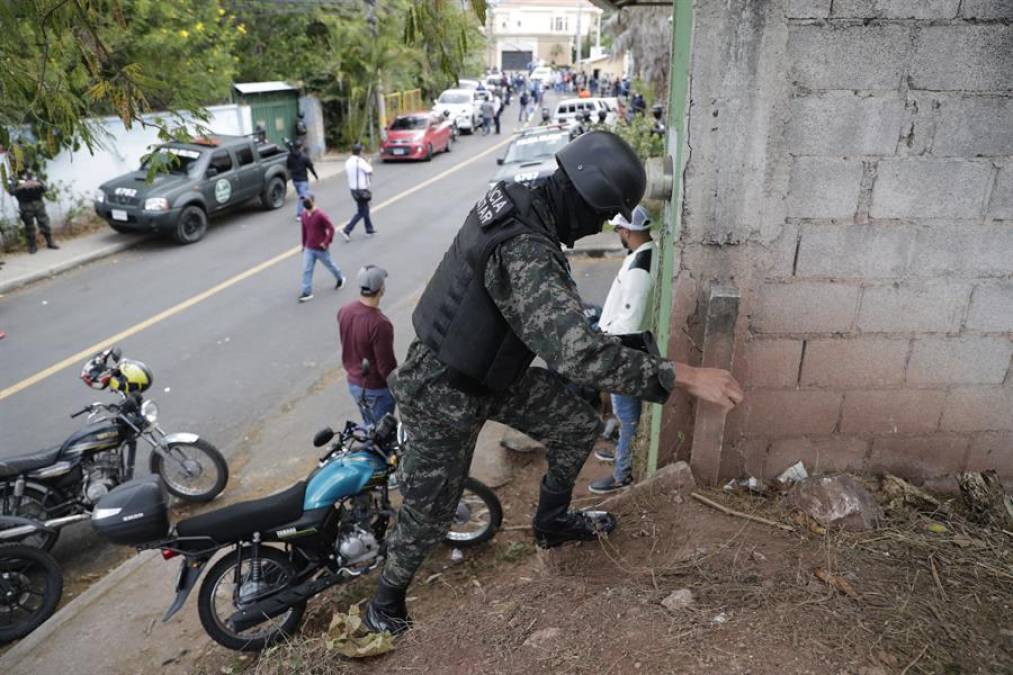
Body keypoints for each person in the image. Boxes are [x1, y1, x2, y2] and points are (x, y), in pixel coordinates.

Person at [362, 131, 744, 635]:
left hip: (492, 375)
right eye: (597, 214)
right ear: (579, 197)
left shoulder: (524, 202)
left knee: (577, 425)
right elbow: (576, 354)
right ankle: (385, 602)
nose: (594, 227)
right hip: (443, 387)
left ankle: (550, 522)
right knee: (430, 511)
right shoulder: (526, 248)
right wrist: (684, 377)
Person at [589, 206, 655, 494]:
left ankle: (622, 474)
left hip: (624, 349)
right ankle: (621, 456)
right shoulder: (643, 256)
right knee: (623, 412)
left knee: (627, 415)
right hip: (622, 343)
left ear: (627, 231)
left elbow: (629, 323)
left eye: (618, 230)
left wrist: (604, 343)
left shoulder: (640, 269)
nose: (617, 234)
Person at [337, 265, 397, 427]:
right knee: (380, 437)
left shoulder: (344, 311)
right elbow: (386, 367)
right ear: (381, 289)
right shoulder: (380, 324)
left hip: (354, 384)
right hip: (376, 390)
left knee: (369, 426)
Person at [298, 194, 345, 303]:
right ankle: (307, 292)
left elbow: (331, 228)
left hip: (320, 249)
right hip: (309, 248)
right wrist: (303, 245)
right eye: (303, 201)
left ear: (313, 201)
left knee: (330, 265)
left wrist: (326, 242)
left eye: (307, 200)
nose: (305, 202)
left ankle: (340, 278)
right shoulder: (304, 215)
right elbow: (304, 230)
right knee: (306, 269)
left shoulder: (320, 215)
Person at [7, 168, 58, 254]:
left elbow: (45, 187)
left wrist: (36, 184)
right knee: (29, 227)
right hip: (25, 205)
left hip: (38, 203)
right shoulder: (12, 178)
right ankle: (32, 246)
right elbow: (11, 191)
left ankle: (50, 242)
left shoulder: (33, 174)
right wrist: (22, 186)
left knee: (45, 223)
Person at [341, 143, 375, 240]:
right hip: (361, 189)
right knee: (362, 211)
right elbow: (370, 171)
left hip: (353, 189)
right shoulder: (360, 162)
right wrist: (368, 162)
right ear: (360, 152)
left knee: (365, 208)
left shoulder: (348, 161)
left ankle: (369, 229)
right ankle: (347, 230)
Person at [286, 144, 318, 221]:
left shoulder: (290, 157)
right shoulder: (304, 157)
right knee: (303, 197)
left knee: (303, 195)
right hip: (303, 180)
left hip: (295, 181)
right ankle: (299, 215)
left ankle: (310, 203)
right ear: (301, 147)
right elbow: (311, 167)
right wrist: (315, 176)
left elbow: (288, 166)